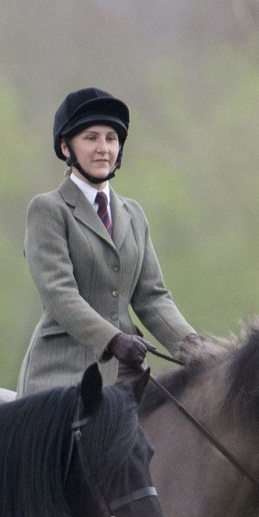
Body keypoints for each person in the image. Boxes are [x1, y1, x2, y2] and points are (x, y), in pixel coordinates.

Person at [17, 87, 199, 396]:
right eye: (91, 138)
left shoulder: (133, 215)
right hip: (64, 373)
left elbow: (152, 297)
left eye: (111, 138)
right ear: (65, 147)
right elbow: (59, 294)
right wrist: (113, 340)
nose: (103, 148)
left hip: (126, 372)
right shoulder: (48, 210)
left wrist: (196, 349)